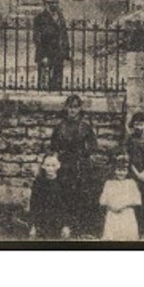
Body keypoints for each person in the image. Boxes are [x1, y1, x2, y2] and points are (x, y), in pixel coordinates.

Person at [51, 93, 99, 235]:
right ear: (66, 108)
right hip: (64, 165)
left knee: (80, 195)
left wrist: (86, 159)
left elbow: (92, 147)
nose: (73, 110)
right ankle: (65, 226)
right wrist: (55, 164)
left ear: (80, 109)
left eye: (76, 107)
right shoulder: (60, 127)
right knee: (64, 194)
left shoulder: (85, 127)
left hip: (80, 165)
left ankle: (80, 228)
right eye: (70, 107)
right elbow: (54, 148)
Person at [99, 155, 142, 241]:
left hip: (126, 213)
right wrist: (111, 206)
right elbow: (103, 200)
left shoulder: (131, 183)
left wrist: (124, 205)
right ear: (114, 170)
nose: (121, 173)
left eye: (124, 170)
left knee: (127, 236)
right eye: (118, 170)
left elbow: (137, 200)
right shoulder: (109, 183)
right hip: (112, 213)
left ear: (128, 171)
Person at [32, 0, 71, 91]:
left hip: (58, 54)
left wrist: (66, 52)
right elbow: (37, 38)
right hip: (46, 54)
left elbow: (64, 34)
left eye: (56, 3)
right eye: (52, 3)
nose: (54, 5)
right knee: (44, 83)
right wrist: (42, 56)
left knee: (57, 83)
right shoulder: (40, 18)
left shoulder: (60, 17)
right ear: (46, 4)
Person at [28, 154, 71, 239]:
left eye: (53, 165)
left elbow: (67, 205)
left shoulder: (63, 182)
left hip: (58, 221)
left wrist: (66, 226)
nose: (51, 168)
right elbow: (34, 205)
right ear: (43, 166)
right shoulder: (39, 183)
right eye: (48, 165)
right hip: (42, 221)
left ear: (59, 165)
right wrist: (33, 226)